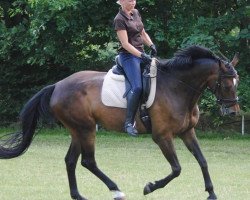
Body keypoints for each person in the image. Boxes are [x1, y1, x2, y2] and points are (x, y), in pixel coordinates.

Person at [114, 0, 157, 136]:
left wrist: (151, 45)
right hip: (128, 56)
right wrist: (141, 55)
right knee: (137, 87)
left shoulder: (136, 13)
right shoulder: (119, 19)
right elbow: (125, 44)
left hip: (140, 53)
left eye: (134, 0)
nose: (133, 2)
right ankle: (128, 123)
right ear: (121, 2)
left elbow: (142, 32)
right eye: (129, 0)